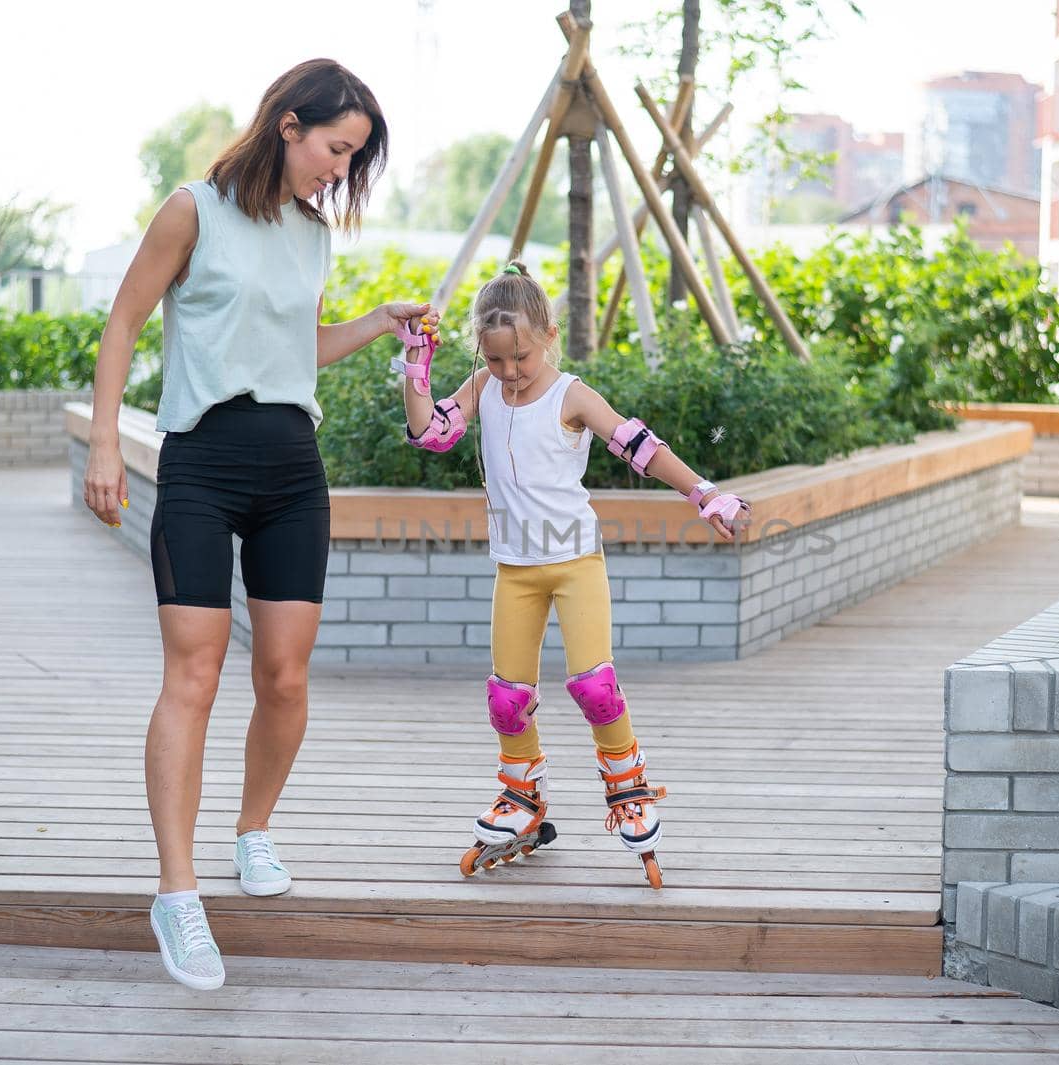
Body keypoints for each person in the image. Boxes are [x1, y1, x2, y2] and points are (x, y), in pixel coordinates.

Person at [81, 58, 434, 990]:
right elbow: (122, 323)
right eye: (335, 148)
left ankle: (253, 831)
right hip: (201, 459)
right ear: (287, 123)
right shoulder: (192, 209)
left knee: (283, 673)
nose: (340, 169)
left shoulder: (312, 235)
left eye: (354, 157)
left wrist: (377, 321)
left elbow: (297, 347)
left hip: (291, 467)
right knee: (194, 671)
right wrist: (106, 448)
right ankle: (177, 894)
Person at [395, 261, 749, 889]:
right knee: (507, 698)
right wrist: (416, 367)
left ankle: (629, 788)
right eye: (496, 359)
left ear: (549, 335)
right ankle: (522, 796)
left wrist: (705, 494)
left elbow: (640, 446)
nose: (509, 372)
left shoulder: (572, 395)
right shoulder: (482, 387)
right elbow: (430, 433)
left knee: (595, 687)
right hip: (516, 570)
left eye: (521, 357)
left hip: (574, 562)